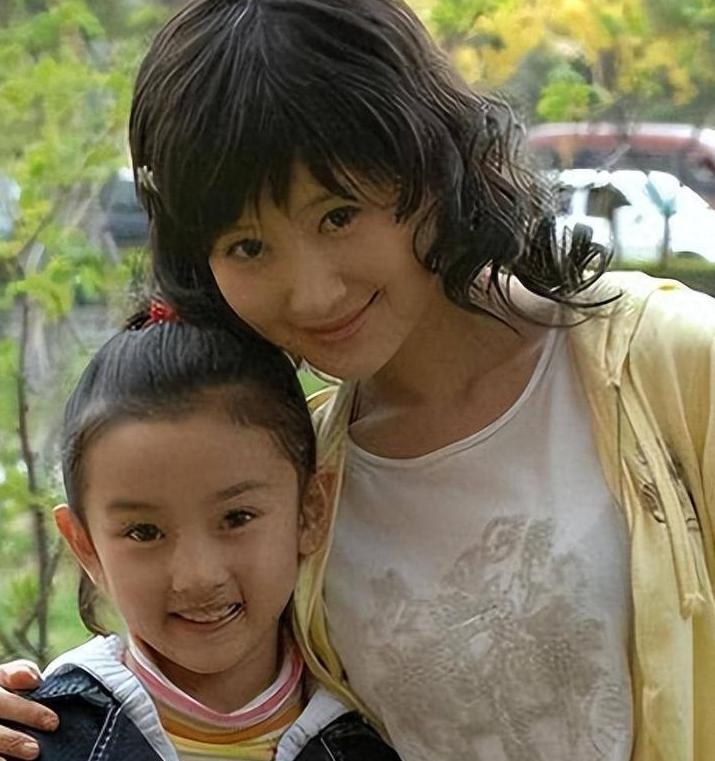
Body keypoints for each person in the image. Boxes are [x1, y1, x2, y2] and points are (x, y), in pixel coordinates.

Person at [0, 0, 713, 759]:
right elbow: (205, 686)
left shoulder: (667, 367)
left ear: (428, 163)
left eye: (338, 215)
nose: (313, 294)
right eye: (247, 246)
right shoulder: (291, 473)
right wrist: (39, 709)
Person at [0, 304, 400, 761]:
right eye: (144, 532)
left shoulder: (385, 731)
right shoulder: (37, 739)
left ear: (310, 511)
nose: (198, 576)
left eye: (237, 518)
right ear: (85, 546)